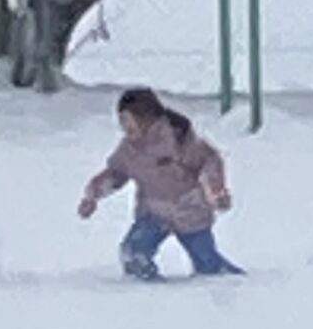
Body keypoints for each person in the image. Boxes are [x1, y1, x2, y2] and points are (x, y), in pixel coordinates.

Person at [79, 86, 243, 279]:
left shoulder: (177, 138)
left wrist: (216, 189)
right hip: (153, 213)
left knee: (206, 261)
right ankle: (146, 288)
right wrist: (93, 195)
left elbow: (209, 160)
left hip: (189, 210)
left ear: (147, 117)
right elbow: (116, 174)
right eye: (121, 120)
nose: (124, 126)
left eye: (128, 119)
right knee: (133, 252)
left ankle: (233, 281)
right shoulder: (128, 150)